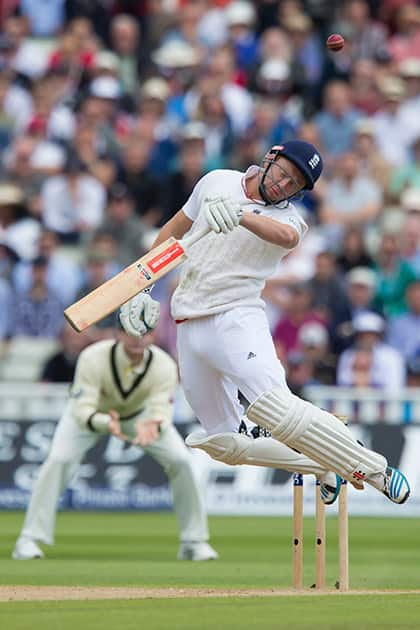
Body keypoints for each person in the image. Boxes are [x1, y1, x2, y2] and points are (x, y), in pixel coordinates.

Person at [119, 140, 410, 506]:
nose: (283, 186)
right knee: (224, 443)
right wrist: (142, 286)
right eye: (284, 174)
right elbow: (173, 232)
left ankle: (374, 469)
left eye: (295, 185)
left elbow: (286, 237)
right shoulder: (216, 181)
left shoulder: (290, 219)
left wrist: (241, 215)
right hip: (187, 323)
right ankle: (321, 464)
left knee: (274, 408)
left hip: (235, 317)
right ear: (270, 158)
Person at [13, 329, 218, 562]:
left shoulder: (163, 365)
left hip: (140, 417)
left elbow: (161, 407)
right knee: (59, 460)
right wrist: (104, 422)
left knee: (181, 461)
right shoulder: (93, 357)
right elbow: (82, 409)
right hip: (92, 415)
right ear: (118, 334)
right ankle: (29, 538)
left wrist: (153, 425)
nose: (138, 339)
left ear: (153, 336)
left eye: (145, 333)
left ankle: (194, 541)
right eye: (131, 333)